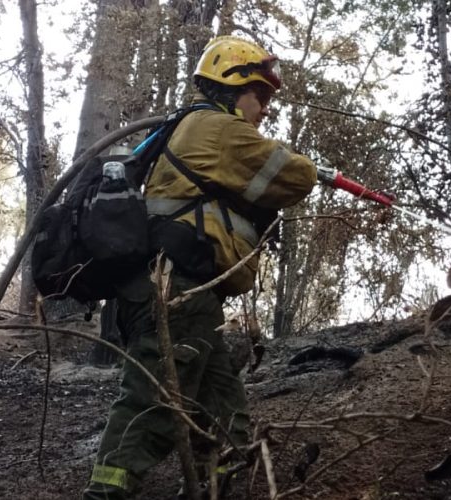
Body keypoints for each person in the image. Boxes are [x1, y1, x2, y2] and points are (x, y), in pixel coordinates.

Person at [83, 36, 317, 499]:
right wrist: (307, 167)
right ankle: (106, 492)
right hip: (174, 289)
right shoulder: (217, 128)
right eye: (260, 95)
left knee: (222, 407)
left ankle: (217, 487)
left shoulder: (191, 126)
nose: (264, 108)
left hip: (186, 294)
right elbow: (297, 176)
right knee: (155, 401)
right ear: (231, 87)